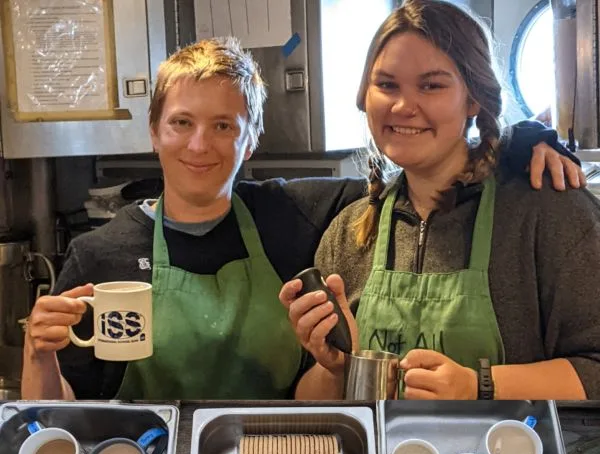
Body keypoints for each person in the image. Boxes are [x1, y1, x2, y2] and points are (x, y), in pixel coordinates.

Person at [22, 36, 583, 402]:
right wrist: (37, 353)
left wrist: (521, 141)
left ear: (251, 141)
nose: (199, 144)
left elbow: (417, 175)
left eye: (224, 125)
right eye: (181, 122)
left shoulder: (299, 217)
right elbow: (61, 420)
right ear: (154, 131)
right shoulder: (101, 255)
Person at [280, 0, 600, 402]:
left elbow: (595, 366)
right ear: (365, 97)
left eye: (431, 85)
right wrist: (337, 369)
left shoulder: (547, 209)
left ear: (473, 99)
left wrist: (478, 386)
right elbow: (313, 407)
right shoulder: (350, 231)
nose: (403, 106)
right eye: (387, 85)